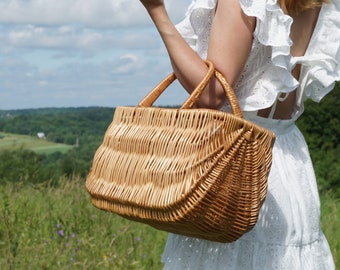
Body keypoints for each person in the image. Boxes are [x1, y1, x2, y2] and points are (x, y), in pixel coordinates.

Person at [139, 0, 339, 269]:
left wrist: (157, 12)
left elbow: (212, 92)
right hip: (288, 160)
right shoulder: (317, 2)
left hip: (237, 160)